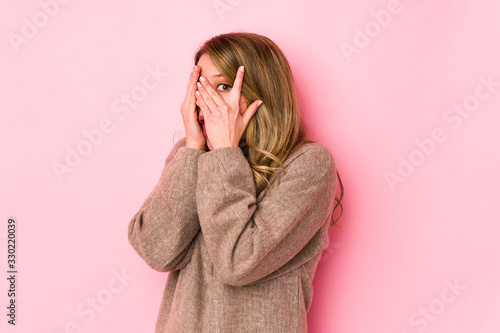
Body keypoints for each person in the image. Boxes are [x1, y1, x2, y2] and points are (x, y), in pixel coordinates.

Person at [128, 32, 344, 333]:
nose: (207, 100)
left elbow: (239, 262)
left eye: (224, 85)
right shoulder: (192, 155)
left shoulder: (308, 164)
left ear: (261, 91)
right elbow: (156, 250)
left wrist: (225, 154)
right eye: (201, 87)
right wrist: (192, 148)